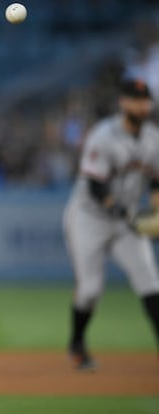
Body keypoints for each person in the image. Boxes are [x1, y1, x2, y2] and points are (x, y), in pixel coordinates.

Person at [63, 76, 159, 371]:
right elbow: (94, 186)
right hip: (88, 218)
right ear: (123, 103)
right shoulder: (103, 136)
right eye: (135, 99)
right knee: (90, 290)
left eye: (145, 100)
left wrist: (156, 213)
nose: (141, 105)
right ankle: (77, 343)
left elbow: (156, 181)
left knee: (151, 285)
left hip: (127, 221)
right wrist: (120, 212)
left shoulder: (154, 138)